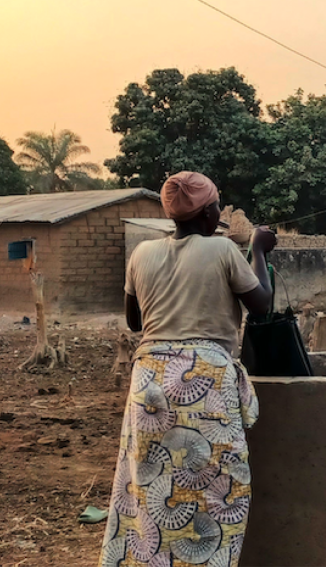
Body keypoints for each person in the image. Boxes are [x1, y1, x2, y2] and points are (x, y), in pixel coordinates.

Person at [100, 171, 278, 567]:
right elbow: (262, 304)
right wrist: (259, 250)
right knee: (218, 487)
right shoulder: (221, 250)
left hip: (148, 382)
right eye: (216, 205)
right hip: (204, 381)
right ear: (207, 213)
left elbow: (135, 322)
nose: (218, 211)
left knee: (149, 485)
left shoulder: (142, 254)